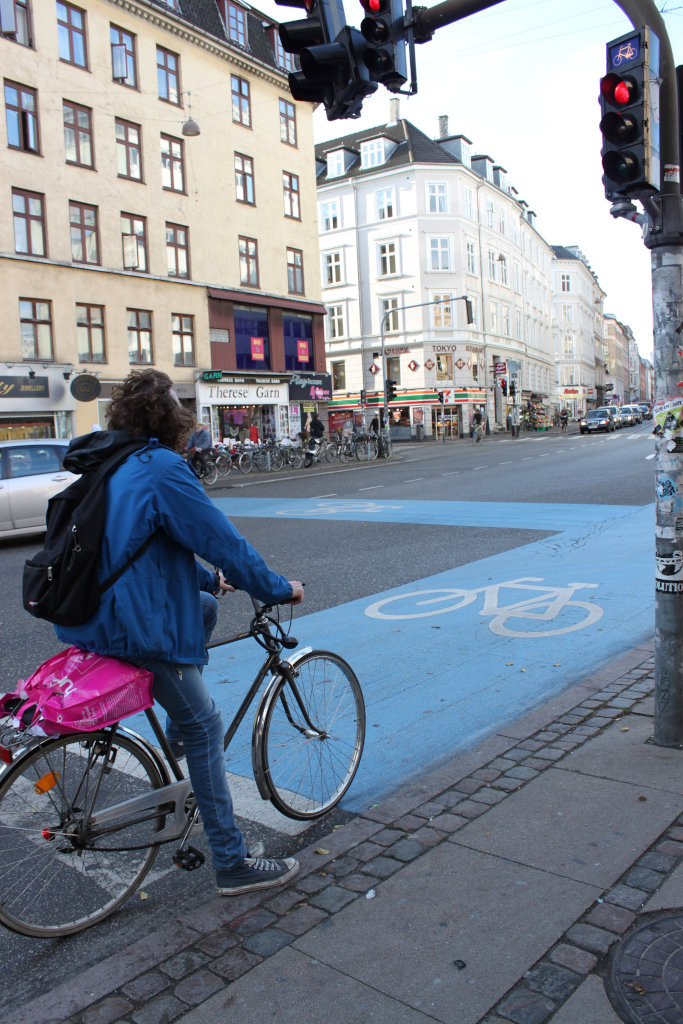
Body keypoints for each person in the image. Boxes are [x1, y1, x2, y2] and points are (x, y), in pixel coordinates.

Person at [54, 369, 304, 897]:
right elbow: (223, 542)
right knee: (207, 727)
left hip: (94, 612)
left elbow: (142, 548)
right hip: (132, 624)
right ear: (171, 418)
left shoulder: (113, 463)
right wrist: (279, 588)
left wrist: (210, 581)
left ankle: (174, 733)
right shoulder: (163, 468)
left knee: (204, 608)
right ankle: (232, 863)